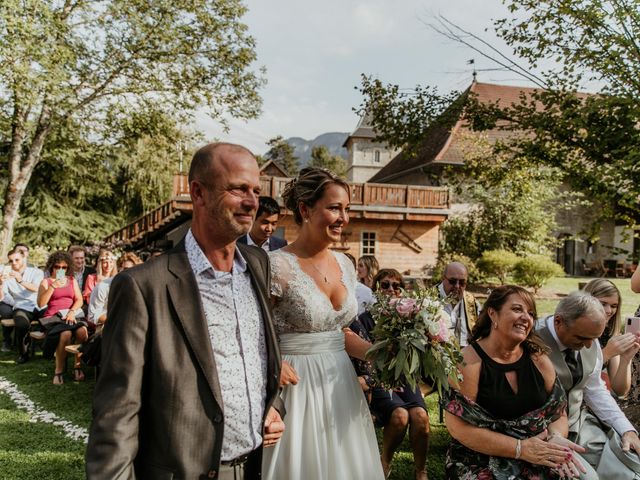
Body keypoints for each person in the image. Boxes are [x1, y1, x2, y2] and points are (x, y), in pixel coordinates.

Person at [86, 142, 285, 480]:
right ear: (198, 193)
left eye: (255, 189)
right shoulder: (143, 285)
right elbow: (116, 413)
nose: (252, 201)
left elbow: (259, 357)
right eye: (238, 189)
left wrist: (272, 408)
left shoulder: (257, 264)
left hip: (253, 467)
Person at [262, 167, 384, 480]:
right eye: (334, 208)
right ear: (305, 209)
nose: (343, 217)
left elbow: (338, 332)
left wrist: (382, 353)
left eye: (346, 209)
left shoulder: (345, 264)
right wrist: (272, 362)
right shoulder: (276, 266)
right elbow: (251, 330)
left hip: (340, 383)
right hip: (294, 386)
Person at [443, 285, 596, 479]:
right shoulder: (468, 362)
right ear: (493, 314)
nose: (526, 317)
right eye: (517, 309)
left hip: (538, 450)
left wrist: (555, 437)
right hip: (480, 456)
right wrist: (520, 449)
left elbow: (558, 414)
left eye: (531, 313)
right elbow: (459, 428)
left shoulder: (538, 359)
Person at [537, 291, 640, 476]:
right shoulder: (530, 339)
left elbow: (596, 391)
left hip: (580, 424)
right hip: (542, 433)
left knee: (632, 469)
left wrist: (627, 430)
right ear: (558, 321)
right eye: (581, 338)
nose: (588, 346)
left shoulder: (590, 338)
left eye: (594, 338)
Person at [351, 268, 430, 480]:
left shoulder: (410, 317)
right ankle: (384, 462)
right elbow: (363, 359)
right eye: (385, 285)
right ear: (376, 289)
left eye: (396, 286)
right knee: (400, 416)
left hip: (405, 378)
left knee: (421, 417)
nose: (391, 290)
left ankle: (421, 470)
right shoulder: (365, 319)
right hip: (379, 380)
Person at [37, 251, 87, 384]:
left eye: (64, 267)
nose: (60, 270)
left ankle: (77, 366)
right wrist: (53, 286)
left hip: (70, 315)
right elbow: (41, 303)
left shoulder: (71, 280)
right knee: (65, 334)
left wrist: (71, 312)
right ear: (52, 267)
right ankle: (58, 371)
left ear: (68, 268)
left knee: (82, 332)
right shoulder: (46, 282)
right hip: (54, 317)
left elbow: (79, 300)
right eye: (57, 267)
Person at [583, 278, 639, 397]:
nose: (609, 311)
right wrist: (607, 353)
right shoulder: (572, 330)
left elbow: (621, 390)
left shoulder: (610, 334)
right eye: (602, 304)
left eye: (614, 306)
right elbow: (573, 374)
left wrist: (626, 359)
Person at [0, 248, 44, 363]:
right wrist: (0, 284)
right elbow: (3, 296)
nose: (14, 263)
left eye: (17, 259)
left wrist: (20, 280)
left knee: (51, 320)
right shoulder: (6, 275)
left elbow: (37, 288)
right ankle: (23, 354)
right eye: (11, 261)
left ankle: (48, 349)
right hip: (21, 307)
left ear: (24, 258)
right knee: (21, 324)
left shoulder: (36, 272)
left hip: (39, 304)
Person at [438, 261, 481, 347]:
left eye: (462, 282)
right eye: (452, 281)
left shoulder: (473, 303)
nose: (457, 286)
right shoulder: (427, 300)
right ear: (443, 278)